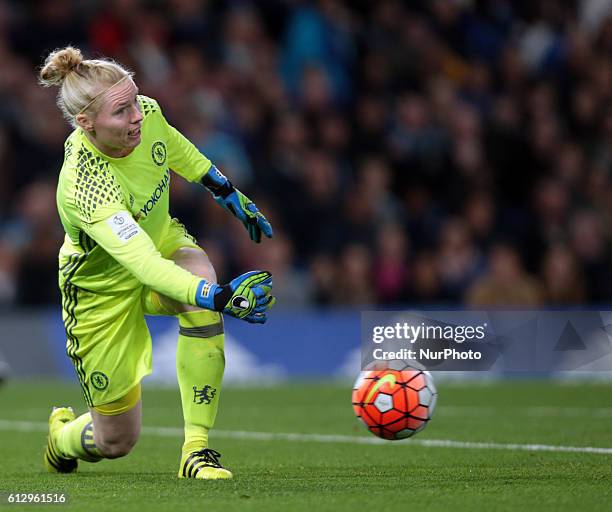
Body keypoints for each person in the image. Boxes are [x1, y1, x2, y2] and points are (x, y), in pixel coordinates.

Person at [38, 46, 275, 480]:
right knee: (116, 441)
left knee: (198, 282)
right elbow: (143, 266)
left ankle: (196, 451)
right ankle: (61, 438)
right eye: (121, 112)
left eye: (135, 101)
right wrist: (221, 297)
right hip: (100, 289)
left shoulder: (144, 114)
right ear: (85, 123)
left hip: (159, 238)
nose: (136, 117)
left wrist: (224, 190)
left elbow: (171, 143)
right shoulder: (85, 185)